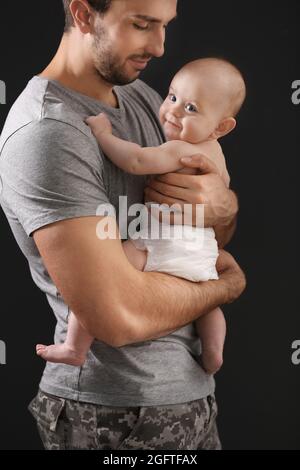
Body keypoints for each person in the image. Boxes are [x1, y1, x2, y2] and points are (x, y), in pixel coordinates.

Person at [0, 0, 245, 450]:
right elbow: (114, 316)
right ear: (84, 14)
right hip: (111, 413)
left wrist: (222, 207)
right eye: (141, 24)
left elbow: (203, 236)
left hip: (191, 396)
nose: (159, 45)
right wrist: (225, 287)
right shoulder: (48, 132)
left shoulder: (145, 100)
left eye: (165, 26)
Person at [36, 57, 246, 376]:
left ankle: (74, 347)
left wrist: (104, 134)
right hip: (202, 252)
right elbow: (217, 203)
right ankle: (214, 352)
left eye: (191, 109)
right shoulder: (219, 159)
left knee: (100, 281)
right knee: (208, 303)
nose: (173, 111)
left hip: (157, 243)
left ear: (221, 126)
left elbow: (135, 160)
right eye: (173, 97)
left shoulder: (179, 149)